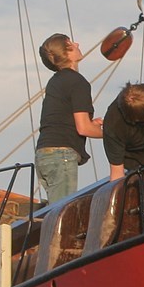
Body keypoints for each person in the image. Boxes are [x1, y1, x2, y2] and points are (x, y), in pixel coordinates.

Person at [34, 34, 102, 202]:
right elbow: (84, 128)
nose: (77, 43)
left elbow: (63, 119)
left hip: (44, 154)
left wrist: (92, 124)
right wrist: (115, 132)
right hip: (61, 155)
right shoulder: (78, 82)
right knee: (61, 212)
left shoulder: (55, 82)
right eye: (72, 43)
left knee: (54, 209)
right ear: (68, 51)